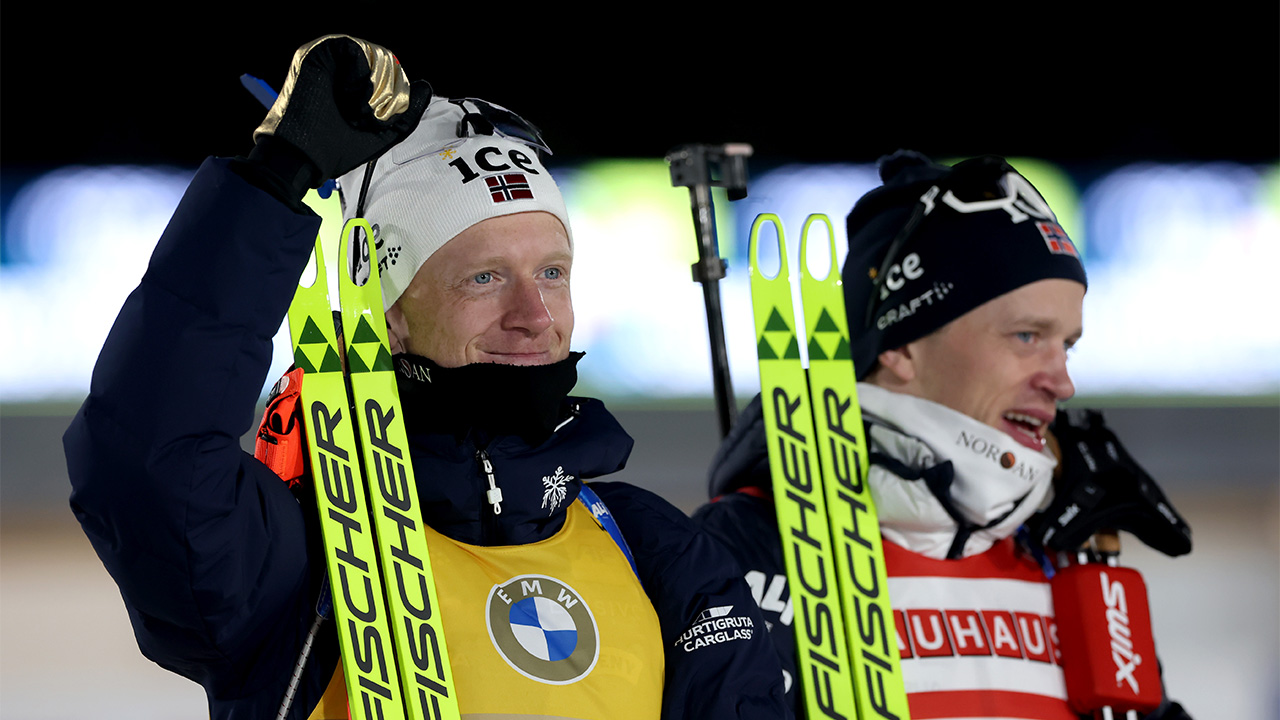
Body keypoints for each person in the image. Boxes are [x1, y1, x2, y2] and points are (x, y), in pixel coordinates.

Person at [64, 35, 786, 719]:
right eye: (485, 277)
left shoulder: (645, 538)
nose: (533, 314)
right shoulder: (291, 558)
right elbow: (146, 456)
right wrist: (273, 179)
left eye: (552, 273)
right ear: (390, 314)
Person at [693, 150, 1194, 719]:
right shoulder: (739, 553)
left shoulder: (1070, 553)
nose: (1063, 381)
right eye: (1027, 336)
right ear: (902, 345)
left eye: (1067, 345)